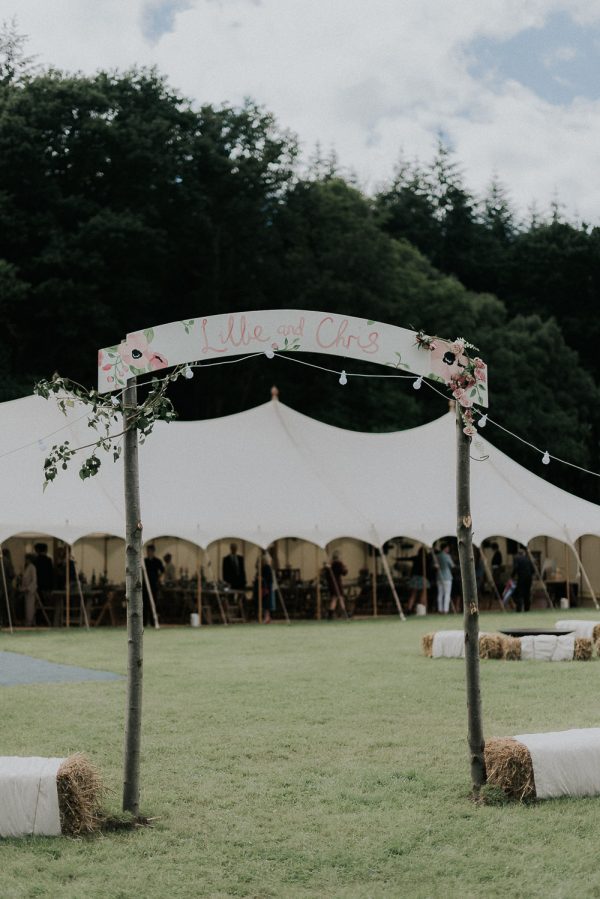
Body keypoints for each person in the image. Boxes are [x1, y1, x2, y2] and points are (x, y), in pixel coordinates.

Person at [33, 542, 56, 623]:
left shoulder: (35, 561)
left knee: (39, 604)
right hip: (48, 586)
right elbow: (51, 574)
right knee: (47, 604)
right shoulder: (48, 560)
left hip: (39, 585)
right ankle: (47, 620)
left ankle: (40, 620)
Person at [143, 544, 164, 625]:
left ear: (153, 552)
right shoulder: (144, 561)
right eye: (147, 551)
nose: (148, 552)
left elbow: (162, 570)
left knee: (153, 603)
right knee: (145, 604)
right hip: (145, 585)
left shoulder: (157, 561)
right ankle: (144, 622)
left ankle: (153, 622)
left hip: (153, 585)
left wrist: (158, 577)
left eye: (150, 551)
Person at [253, 551, 275, 623]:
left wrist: (261, 579)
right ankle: (265, 618)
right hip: (263, 588)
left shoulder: (267, 568)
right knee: (264, 604)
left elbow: (269, 579)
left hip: (266, 589)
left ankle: (267, 618)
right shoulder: (263, 568)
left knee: (266, 605)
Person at [325, 550, 348, 619]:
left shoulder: (330, 565)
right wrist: (345, 567)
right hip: (336, 583)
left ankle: (330, 614)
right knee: (340, 598)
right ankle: (344, 613)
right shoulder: (338, 564)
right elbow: (344, 573)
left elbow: (326, 575)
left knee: (334, 598)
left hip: (331, 584)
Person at [511, 546, 534, 612]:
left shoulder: (516, 558)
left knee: (520, 593)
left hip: (521, 578)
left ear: (518, 553)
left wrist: (512, 576)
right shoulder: (528, 559)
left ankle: (519, 609)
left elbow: (516, 568)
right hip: (529, 578)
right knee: (527, 593)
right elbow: (533, 570)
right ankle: (527, 608)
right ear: (524, 553)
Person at [406, 548, 429, 613]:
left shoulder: (416, 558)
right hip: (422, 577)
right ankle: (422, 609)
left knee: (413, 594)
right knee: (423, 594)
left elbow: (409, 558)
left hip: (415, 577)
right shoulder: (427, 559)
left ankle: (409, 608)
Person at [435, 543, 454, 614]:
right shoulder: (447, 556)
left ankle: (440, 609)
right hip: (447, 576)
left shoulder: (437, 556)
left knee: (440, 594)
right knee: (447, 594)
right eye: (447, 548)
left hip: (439, 577)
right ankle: (445, 610)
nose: (448, 549)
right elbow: (452, 565)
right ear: (445, 548)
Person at [22, 553, 38, 627]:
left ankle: (29, 622)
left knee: (30, 606)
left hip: (30, 590)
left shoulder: (32, 567)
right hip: (26, 589)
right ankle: (28, 621)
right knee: (27, 606)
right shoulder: (27, 567)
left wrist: (28, 588)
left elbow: (34, 580)